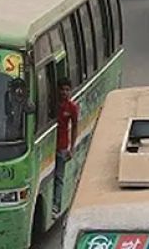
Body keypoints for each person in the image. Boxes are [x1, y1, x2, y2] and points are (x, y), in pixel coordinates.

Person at [53, 78, 79, 215]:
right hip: (51, 146)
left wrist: (72, 148)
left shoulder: (72, 107)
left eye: (67, 90)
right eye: (62, 89)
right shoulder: (53, 105)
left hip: (62, 147)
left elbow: (75, 127)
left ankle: (56, 205)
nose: (64, 92)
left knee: (59, 177)